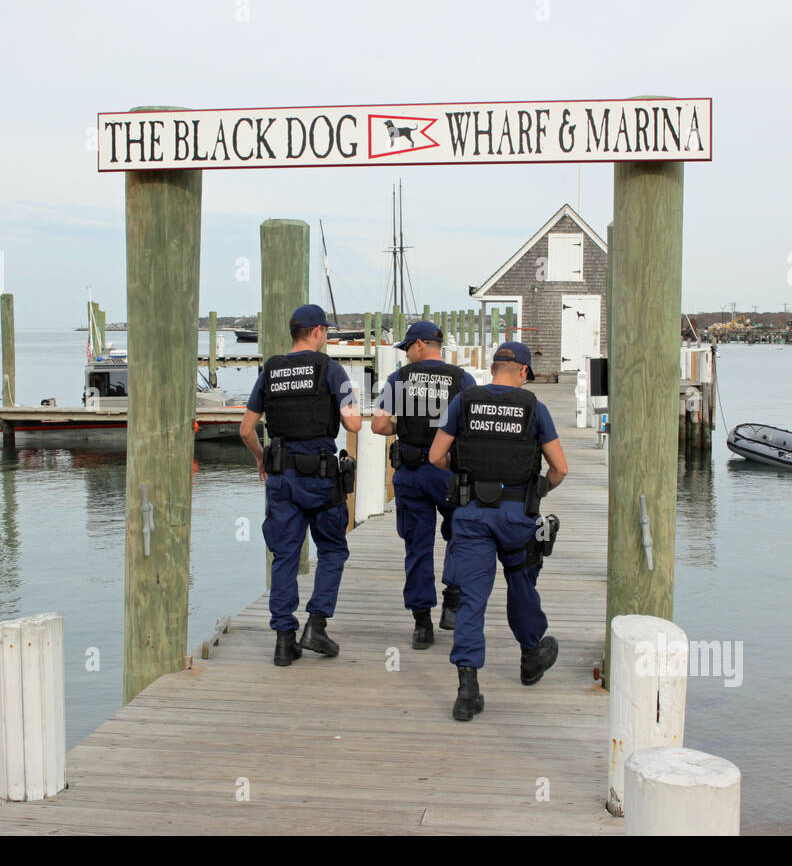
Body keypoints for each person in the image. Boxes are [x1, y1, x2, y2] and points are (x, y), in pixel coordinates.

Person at [428, 341, 568, 721]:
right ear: (523, 372)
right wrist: (536, 491)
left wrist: (464, 482)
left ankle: (468, 689)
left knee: (473, 597)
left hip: (471, 515)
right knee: (522, 583)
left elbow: (436, 457)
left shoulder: (464, 402)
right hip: (516, 516)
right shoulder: (534, 409)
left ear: (493, 368)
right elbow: (559, 468)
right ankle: (530, 658)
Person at [239, 304, 362, 667]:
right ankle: (317, 625)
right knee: (333, 550)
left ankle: (283, 640)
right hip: (321, 479)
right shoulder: (331, 369)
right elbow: (353, 424)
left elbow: (246, 429)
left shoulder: (270, 371)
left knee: (285, 555)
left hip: (281, 477)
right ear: (317, 332)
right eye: (325, 330)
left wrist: (261, 457)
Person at [372, 320, 476, 648]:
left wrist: (401, 429)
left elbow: (377, 426)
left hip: (412, 473)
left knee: (417, 546)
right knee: (461, 535)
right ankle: (453, 601)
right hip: (448, 472)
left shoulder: (400, 379)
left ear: (419, 346)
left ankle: (422, 625)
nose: (405, 356)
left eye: (406, 349)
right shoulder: (462, 379)